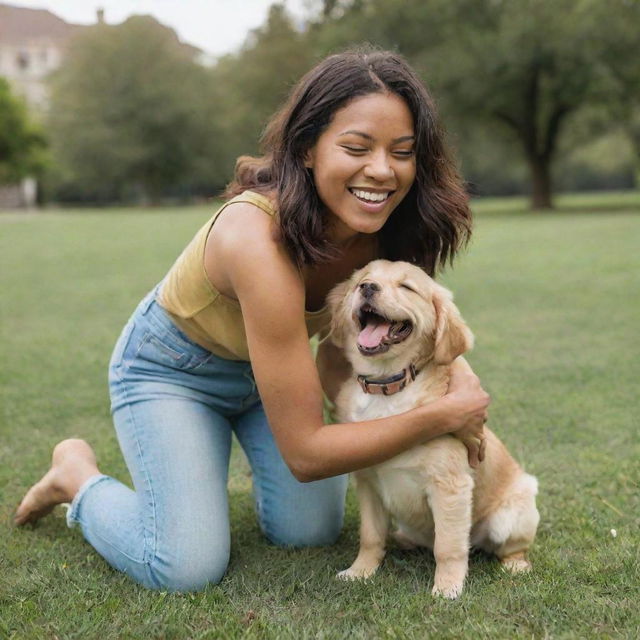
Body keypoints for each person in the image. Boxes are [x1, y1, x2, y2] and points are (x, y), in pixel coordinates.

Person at [14, 48, 490, 592]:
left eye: (401, 152)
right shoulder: (254, 239)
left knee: (308, 532)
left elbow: (366, 342)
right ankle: (76, 476)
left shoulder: (388, 230)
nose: (381, 170)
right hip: (173, 372)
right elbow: (309, 456)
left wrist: (462, 385)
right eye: (356, 147)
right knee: (184, 567)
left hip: (275, 375)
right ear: (307, 149)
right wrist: (442, 416)